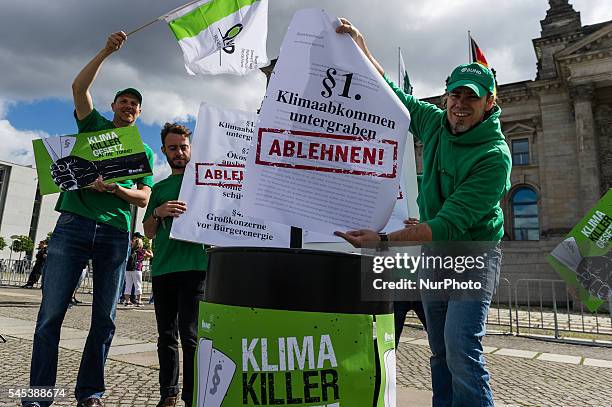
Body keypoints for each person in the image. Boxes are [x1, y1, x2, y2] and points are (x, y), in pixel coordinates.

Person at [334, 20, 511, 407]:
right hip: (435, 256)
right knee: (440, 351)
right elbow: (394, 96)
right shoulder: (434, 122)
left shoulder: (494, 156)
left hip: (473, 254)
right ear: (446, 97)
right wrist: (362, 48)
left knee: (461, 348)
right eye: (455, 95)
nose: (460, 105)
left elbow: (449, 225)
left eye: (471, 97)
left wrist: (381, 241)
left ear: (488, 104)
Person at [23, 31, 154, 407]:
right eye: (124, 101)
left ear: (139, 113)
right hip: (73, 226)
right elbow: (79, 88)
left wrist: (116, 190)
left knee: (105, 319)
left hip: (115, 233)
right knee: (50, 315)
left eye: (135, 104)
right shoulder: (93, 125)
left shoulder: (141, 149)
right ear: (113, 105)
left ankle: (91, 393)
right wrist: (105, 52)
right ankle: (38, 395)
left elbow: (143, 197)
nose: (129, 106)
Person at [143, 123, 208, 407]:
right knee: (165, 336)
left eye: (183, 147)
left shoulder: (205, 182)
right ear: (164, 151)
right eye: (173, 148)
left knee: (191, 336)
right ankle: (168, 394)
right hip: (164, 269)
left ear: (190, 148)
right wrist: (158, 212)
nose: (179, 152)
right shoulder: (159, 188)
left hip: (196, 266)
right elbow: (147, 231)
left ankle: (193, 397)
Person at [123, 236, 150, 306]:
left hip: (128, 269)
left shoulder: (130, 250)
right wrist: (150, 251)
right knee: (138, 285)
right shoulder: (142, 251)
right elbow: (151, 255)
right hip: (137, 269)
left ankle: (127, 301)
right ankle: (139, 301)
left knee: (128, 285)